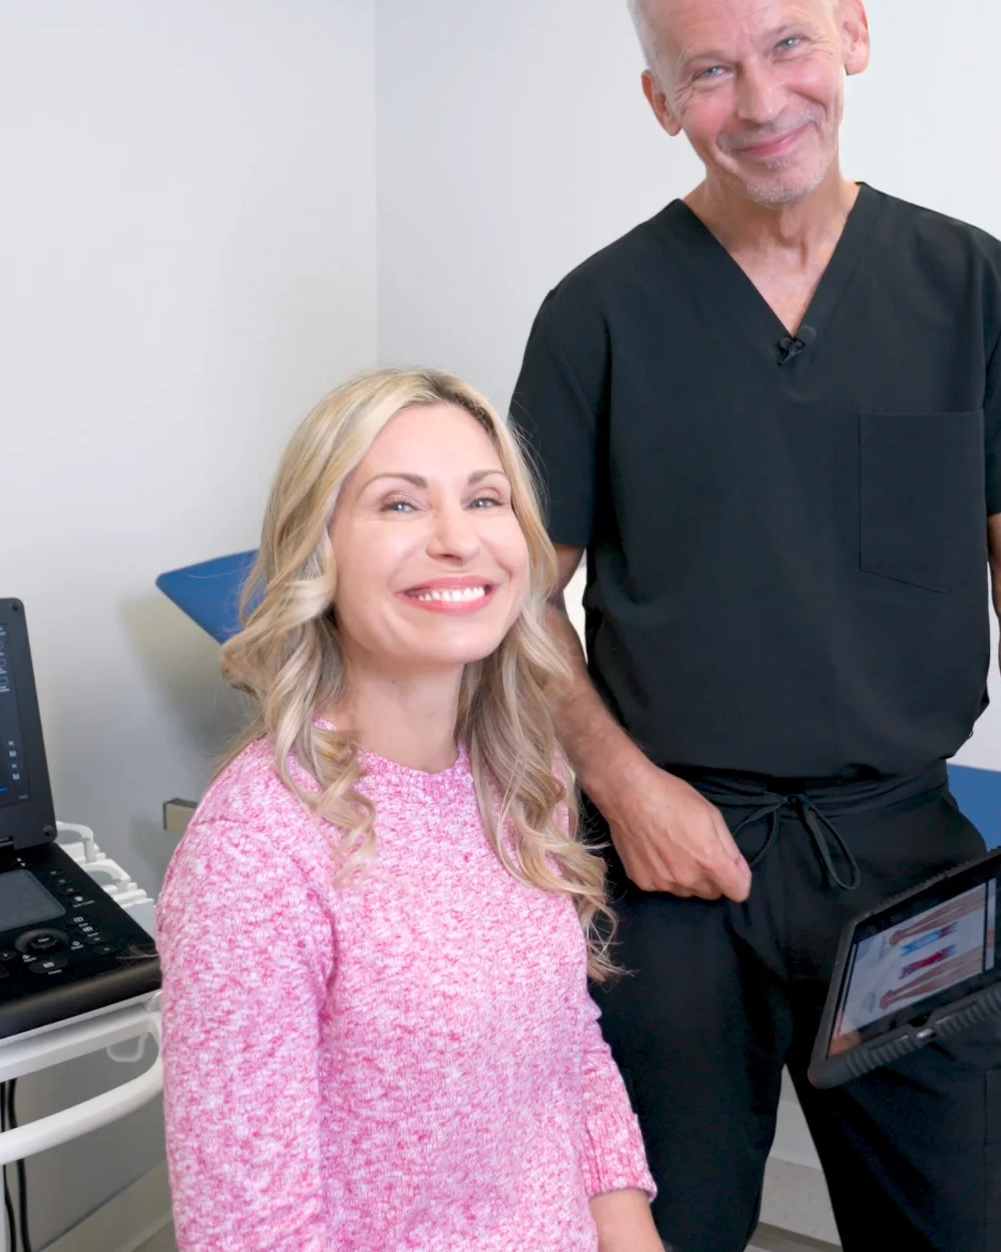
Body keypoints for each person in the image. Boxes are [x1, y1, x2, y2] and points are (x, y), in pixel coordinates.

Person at [510, 0, 1001, 1252]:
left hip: (904, 858)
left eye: (787, 46)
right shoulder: (599, 316)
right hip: (673, 863)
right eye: (710, 70)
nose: (762, 98)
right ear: (662, 101)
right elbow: (517, 602)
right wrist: (625, 784)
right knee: (658, 1237)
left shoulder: (971, 288)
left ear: (850, 35)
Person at [155, 368, 661, 1252]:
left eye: (485, 499)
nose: (457, 540)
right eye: (399, 506)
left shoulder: (521, 769)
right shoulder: (257, 854)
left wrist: (630, 1233)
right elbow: (252, 1234)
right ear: (319, 552)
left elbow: (567, 1052)